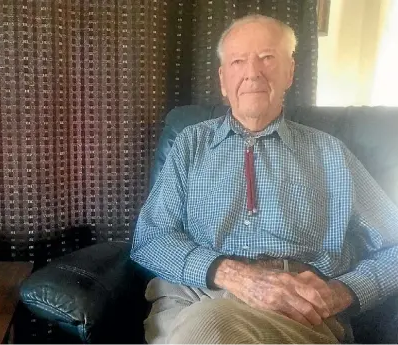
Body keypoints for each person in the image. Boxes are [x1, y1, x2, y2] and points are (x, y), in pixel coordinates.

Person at [130, 14, 398, 344]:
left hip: (295, 307)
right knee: (201, 323)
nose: (252, 72)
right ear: (223, 80)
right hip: (192, 293)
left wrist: (343, 292)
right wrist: (233, 274)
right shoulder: (189, 143)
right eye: (238, 61)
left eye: (267, 58)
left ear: (290, 72)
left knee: (206, 329)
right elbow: (150, 237)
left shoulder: (330, 153)